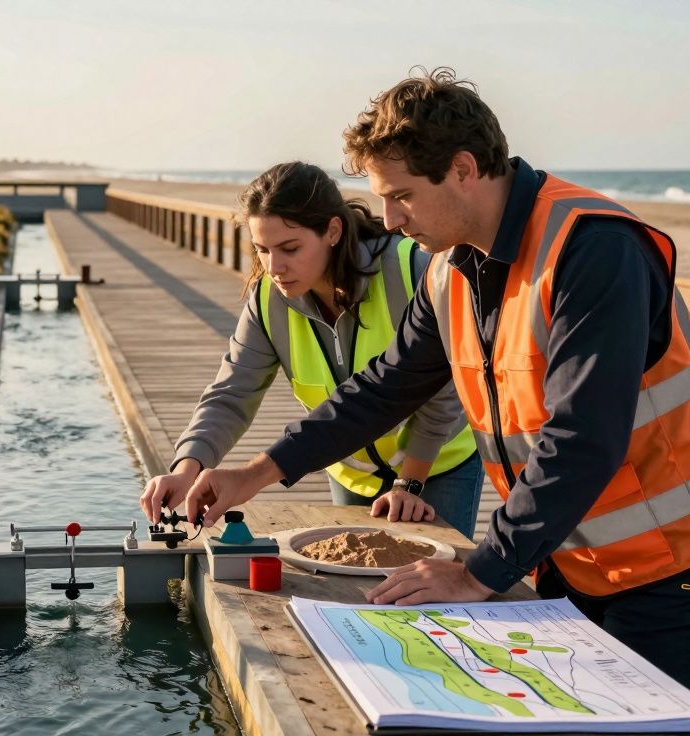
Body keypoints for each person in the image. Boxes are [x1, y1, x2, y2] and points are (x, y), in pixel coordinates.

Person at [182, 68, 690, 701]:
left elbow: (583, 437)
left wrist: (480, 571)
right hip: (569, 553)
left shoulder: (594, 249)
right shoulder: (452, 269)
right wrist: (255, 474)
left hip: (678, 561)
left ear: (461, 169)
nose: (388, 219)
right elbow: (382, 389)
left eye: (400, 195)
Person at [139, 162, 484, 538]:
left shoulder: (410, 268)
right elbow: (232, 393)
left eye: (290, 248)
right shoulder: (268, 299)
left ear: (332, 230)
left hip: (437, 464)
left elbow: (445, 384)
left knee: (435, 589)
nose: (274, 267)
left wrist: (410, 482)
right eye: (262, 250)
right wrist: (187, 467)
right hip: (349, 472)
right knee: (353, 587)